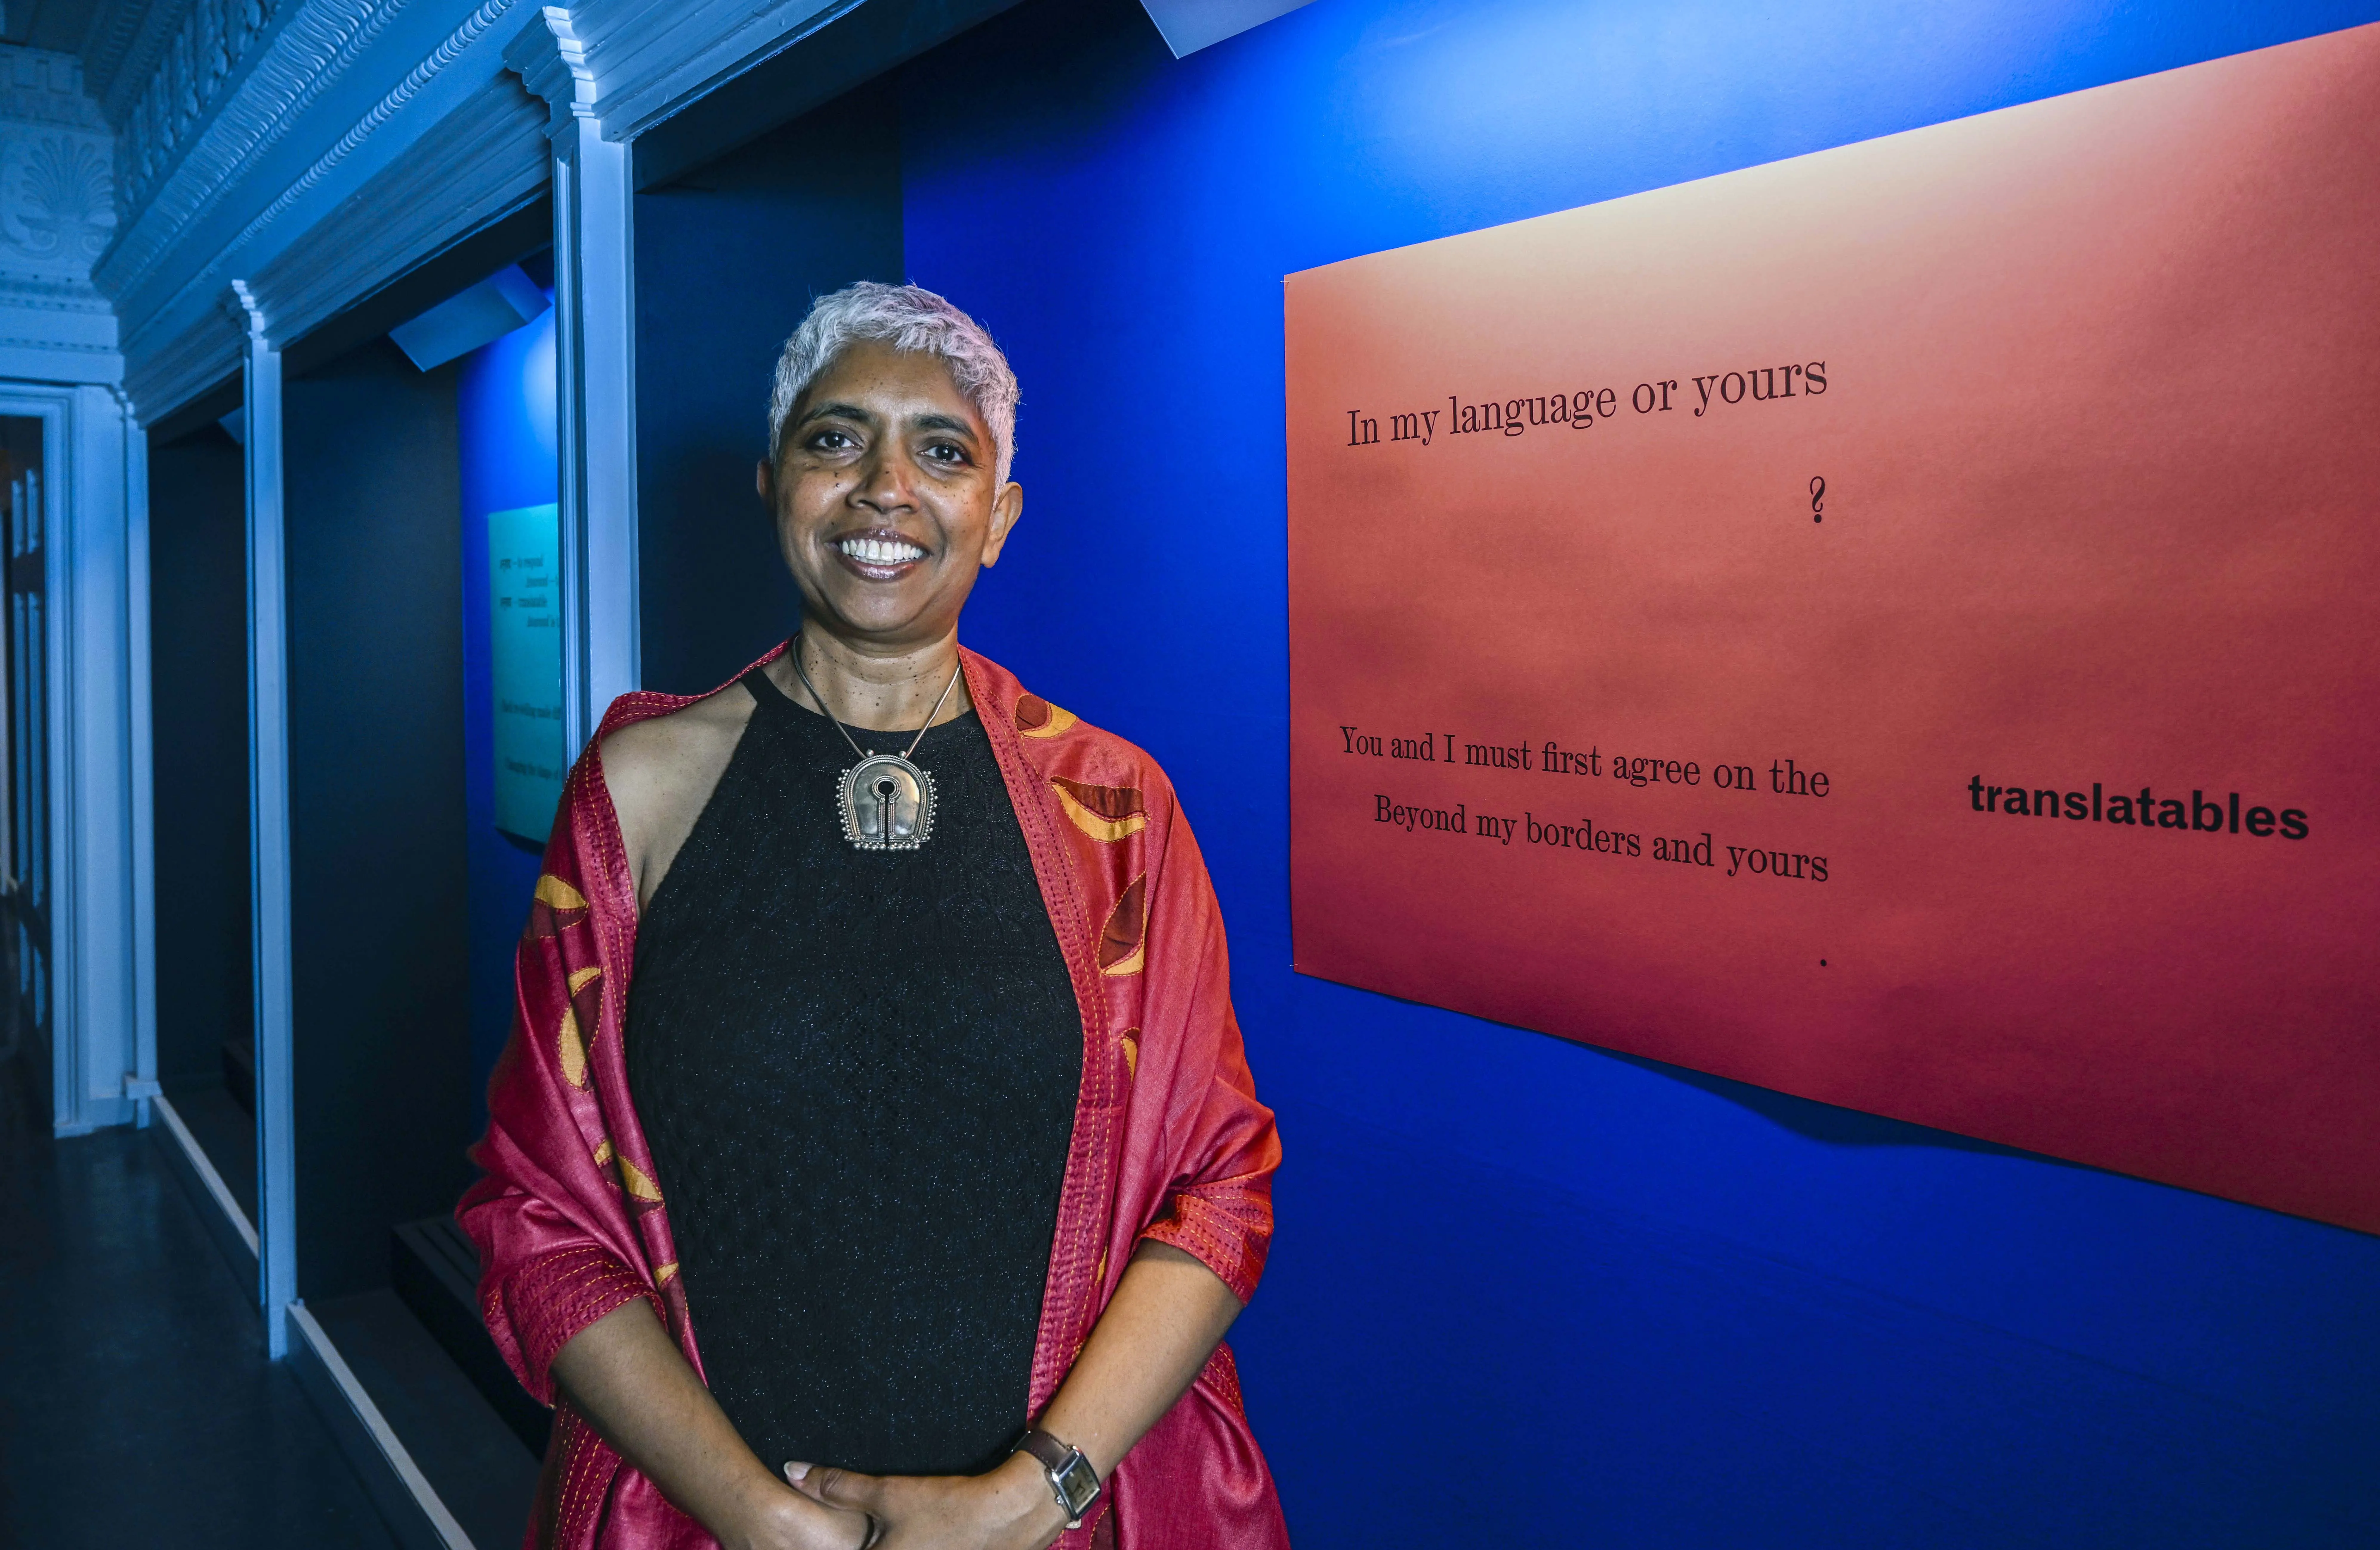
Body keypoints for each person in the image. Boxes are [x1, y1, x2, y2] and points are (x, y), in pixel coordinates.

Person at [460, 283, 1287, 1550]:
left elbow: (1220, 1186)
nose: (884, 485)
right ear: (771, 484)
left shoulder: (1115, 811)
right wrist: (754, 1516)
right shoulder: (636, 792)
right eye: (834, 438)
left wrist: (1027, 1494)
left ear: (997, 516)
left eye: (942, 450)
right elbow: (538, 1218)